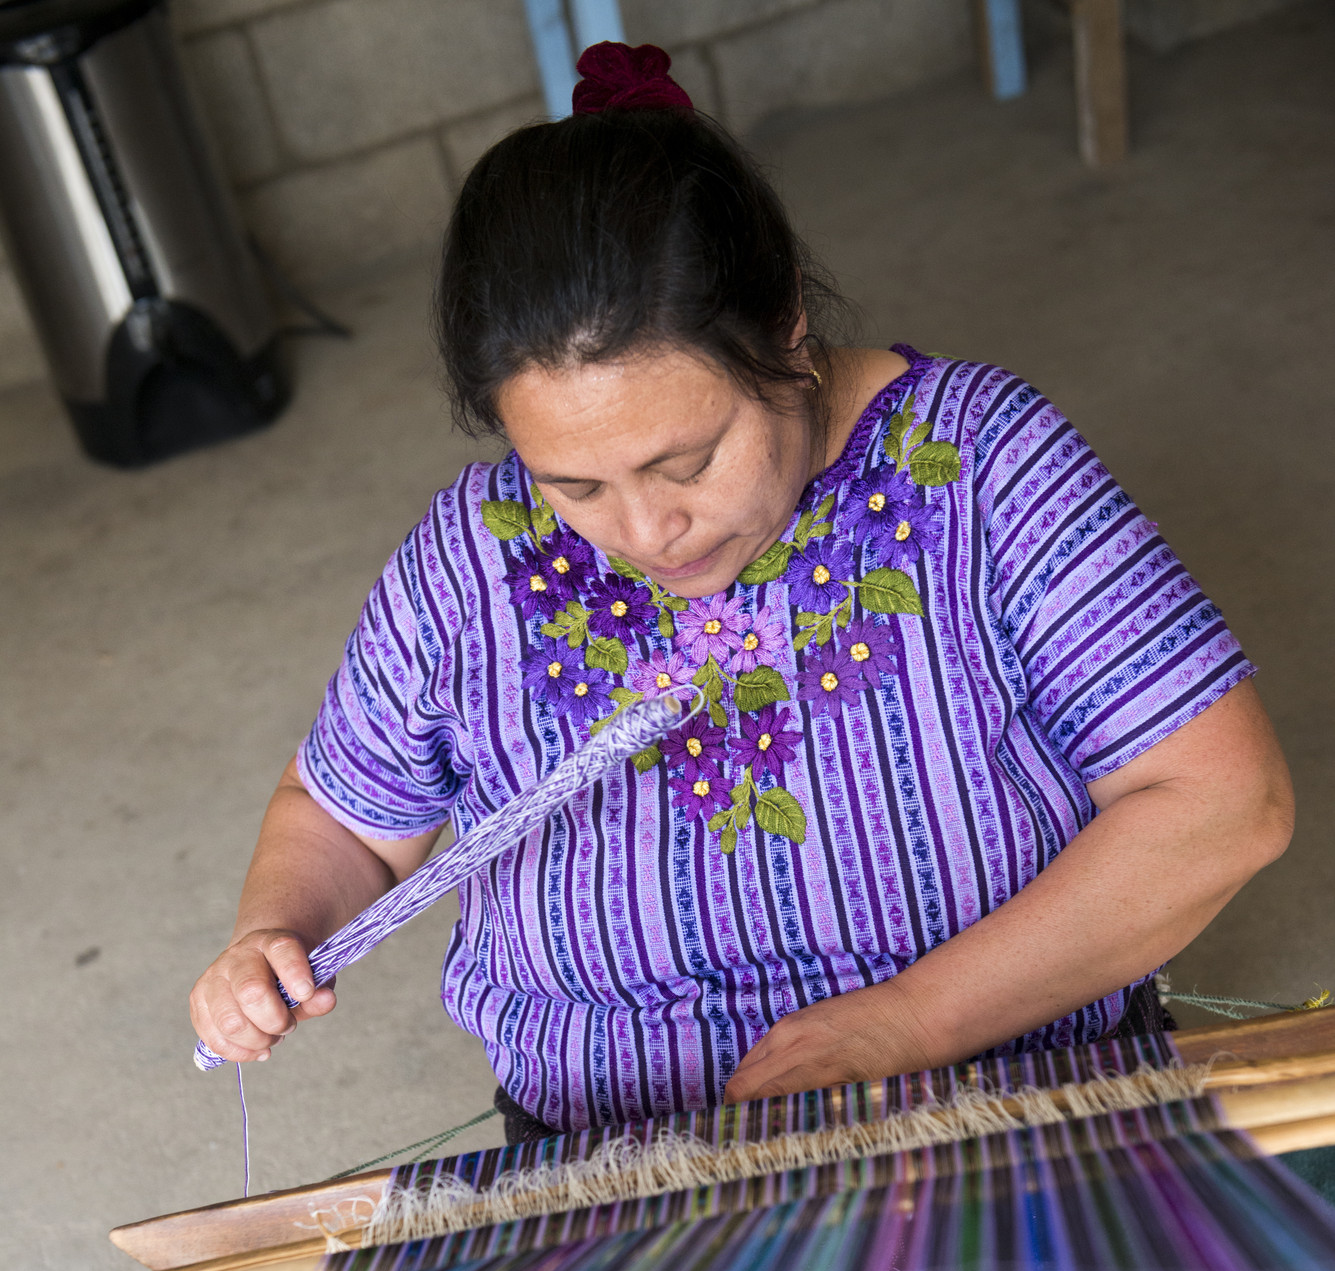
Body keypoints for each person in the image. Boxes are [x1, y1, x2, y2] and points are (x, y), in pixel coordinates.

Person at [189, 40, 1293, 1145]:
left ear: (785, 335)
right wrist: (271, 929)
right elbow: (345, 816)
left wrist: (908, 1022)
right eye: (574, 482)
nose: (642, 531)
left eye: (686, 462)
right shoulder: (474, 551)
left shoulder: (980, 465)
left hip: (983, 1110)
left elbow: (1219, 804)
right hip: (602, 1158)